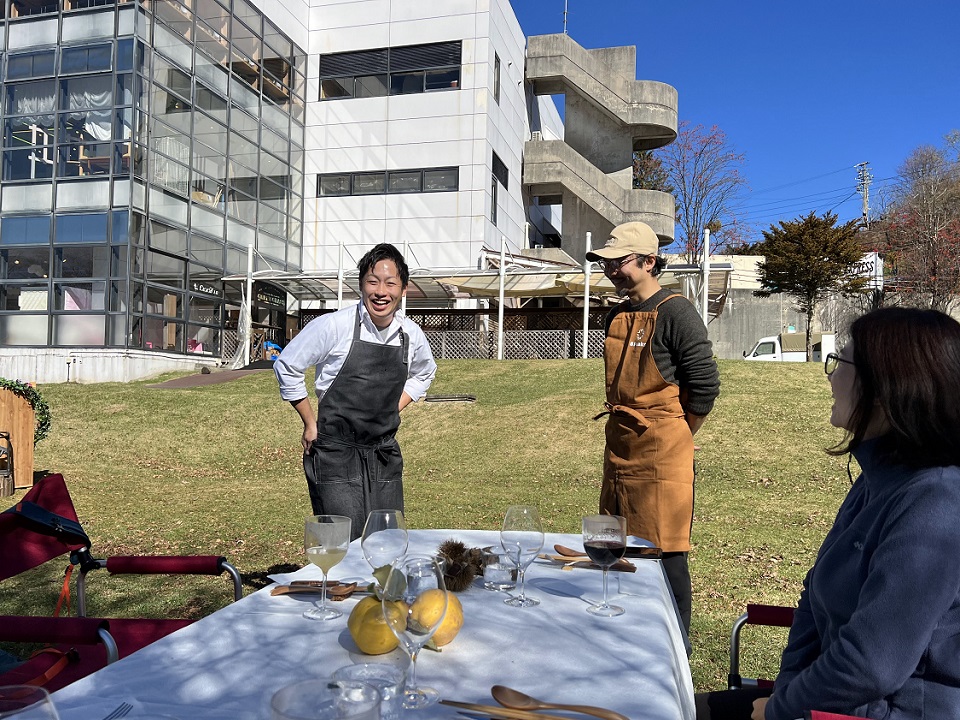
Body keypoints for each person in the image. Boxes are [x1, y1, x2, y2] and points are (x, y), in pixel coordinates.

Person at [698, 307, 960, 720]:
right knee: (670, 704)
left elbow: (872, 664)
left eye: (841, 363)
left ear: (889, 387)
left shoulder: (937, 504)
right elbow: (812, 603)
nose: (831, 376)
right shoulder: (877, 478)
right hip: (822, 705)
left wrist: (778, 710)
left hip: (888, 711)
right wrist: (786, 694)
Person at [585, 221, 720, 633]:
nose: (610, 271)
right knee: (617, 542)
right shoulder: (615, 314)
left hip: (663, 450)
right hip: (620, 444)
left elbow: (705, 385)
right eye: (605, 264)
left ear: (648, 261)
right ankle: (627, 629)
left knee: (665, 553)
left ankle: (675, 642)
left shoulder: (677, 312)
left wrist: (678, 434)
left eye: (618, 262)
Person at [274, 243, 437, 540]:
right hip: (336, 453)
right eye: (373, 282)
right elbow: (287, 365)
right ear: (361, 284)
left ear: (403, 289)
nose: (381, 291)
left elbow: (424, 372)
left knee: (387, 543)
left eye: (390, 283)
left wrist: (392, 407)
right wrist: (310, 423)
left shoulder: (411, 334)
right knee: (342, 544)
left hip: (383, 453)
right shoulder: (334, 326)